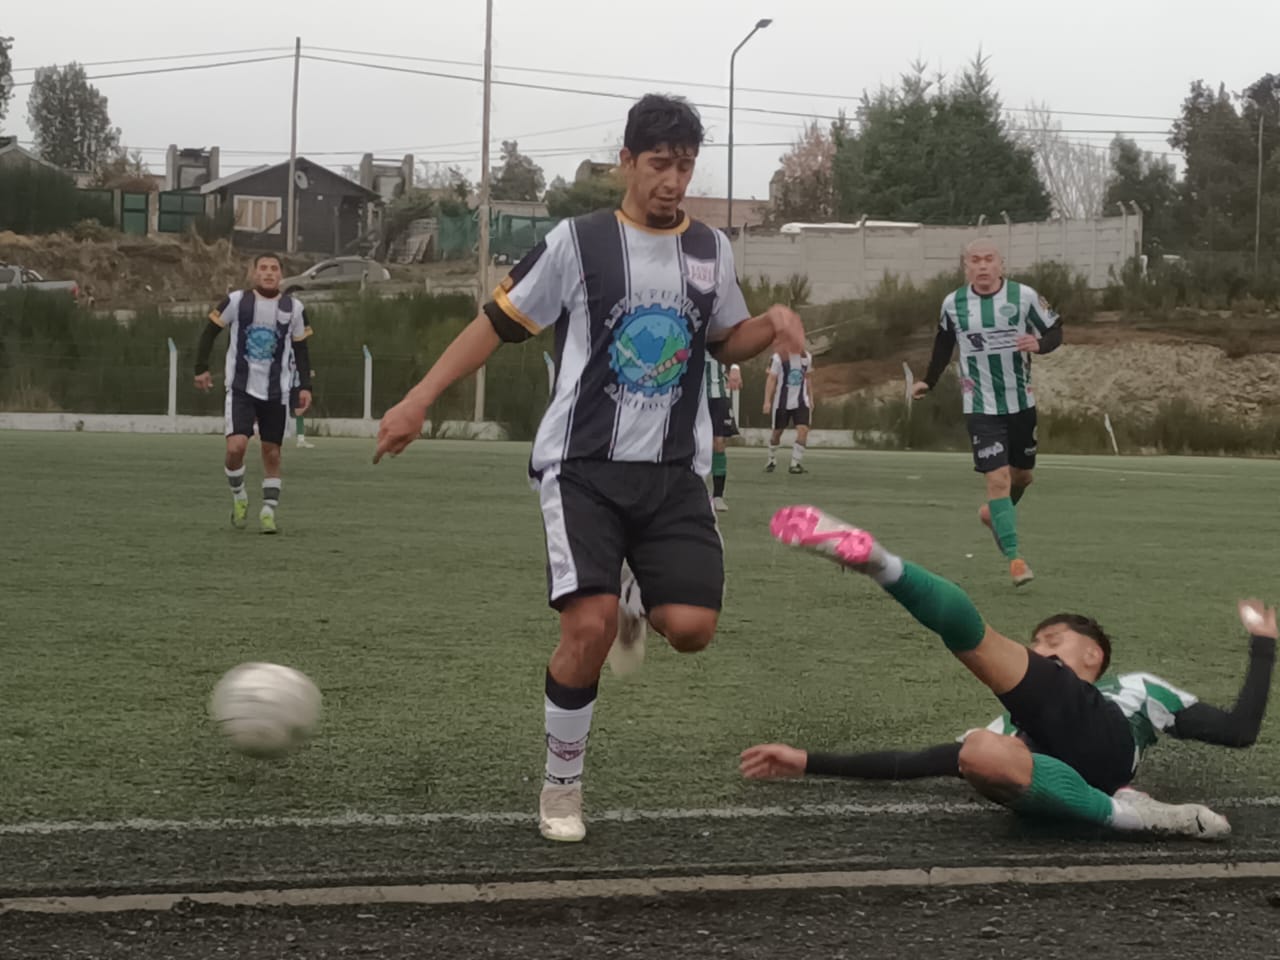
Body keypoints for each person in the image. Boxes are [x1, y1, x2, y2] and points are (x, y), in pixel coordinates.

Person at [373, 94, 806, 844]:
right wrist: (417, 399)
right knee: (589, 626)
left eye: (686, 165)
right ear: (627, 165)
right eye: (660, 164)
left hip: (674, 472)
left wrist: (767, 327)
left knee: (694, 630)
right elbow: (496, 324)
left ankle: (640, 596)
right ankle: (562, 786)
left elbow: (725, 340)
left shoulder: (712, 249)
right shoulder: (577, 243)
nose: (674, 180)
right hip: (583, 467)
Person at [749, 503, 1277, 839]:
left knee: (978, 642)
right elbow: (917, 761)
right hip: (1052, 784)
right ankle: (1134, 816)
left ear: (1093, 654)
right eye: (1037, 642)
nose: (1040, 648)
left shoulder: (1136, 690)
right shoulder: (1011, 721)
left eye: (1053, 641)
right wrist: (808, 761)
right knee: (977, 750)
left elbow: (1238, 731)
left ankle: (883, 565)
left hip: (1104, 746)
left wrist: (1264, 645)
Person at [911, 239, 1063, 587]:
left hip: (1021, 403)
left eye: (988, 259)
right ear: (966, 267)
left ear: (1001, 265)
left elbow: (1056, 329)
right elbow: (944, 343)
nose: (982, 266)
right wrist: (928, 381)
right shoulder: (953, 303)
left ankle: (994, 515)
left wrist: (1039, 344)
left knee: (1023, 477)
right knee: (997, 479)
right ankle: (1015, 560)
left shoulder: (1023, 297)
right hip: (981, 406)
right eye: (974, 260)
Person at [194, 253, 313, 534]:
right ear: (253, 273)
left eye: (274, 269)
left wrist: (305, 386)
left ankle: (269, 512)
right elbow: (209, 332)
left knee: (271, 453)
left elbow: (301, 350)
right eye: (263, 268)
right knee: (235, 448)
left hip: (277, 392)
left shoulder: (294, 308)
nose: (269, 273)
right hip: (241, 389)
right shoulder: (237, 301)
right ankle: (239, 496)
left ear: (281, 275)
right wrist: (201, 368)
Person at [763, 349, 813, 474]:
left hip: (801, 402)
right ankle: (771, 459)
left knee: (803, 430)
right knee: (777, 434)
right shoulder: (779, 357)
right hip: (782, 403)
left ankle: (795, 463)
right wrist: (767, 401)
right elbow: (771, 379)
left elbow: (808, 378)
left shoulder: (807, 357)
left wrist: (811, 398)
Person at [705, 354, 741, 510]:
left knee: (719, 442)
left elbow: (735, 347)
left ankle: (718, 495)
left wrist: (735, 368)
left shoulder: (719, 332)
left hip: (719, 394)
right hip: (694, 395)